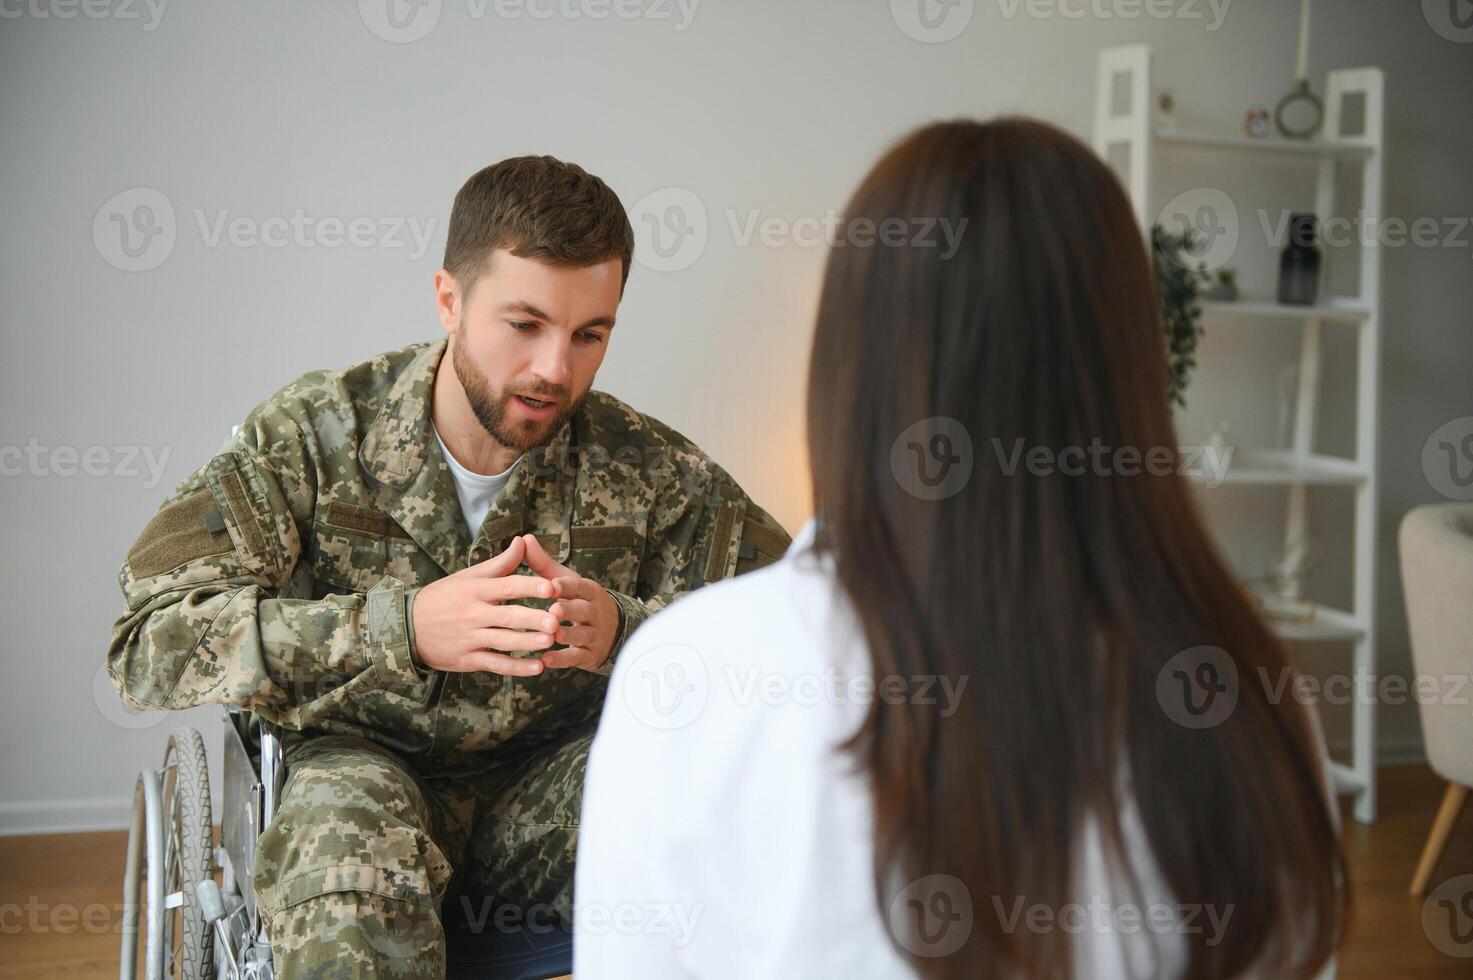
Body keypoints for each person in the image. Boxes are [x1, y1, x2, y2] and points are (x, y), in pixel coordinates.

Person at [575, 119, 1345, 979]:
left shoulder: (696, 674)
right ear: (1131, 363)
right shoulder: (1252, 695)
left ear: (847, 362)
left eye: (586, 332)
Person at [106, 154, 790, 977]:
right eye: (524, 325)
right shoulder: (313, 436)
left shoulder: (649, 470)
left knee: (748, 794)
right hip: (360, 775)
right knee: (341, 851)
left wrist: (626, 631)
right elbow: (147, 646)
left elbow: (795, 639)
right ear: (449, 300)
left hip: (547, 803)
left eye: (589, 335)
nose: (554, 369)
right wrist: (399, 628)